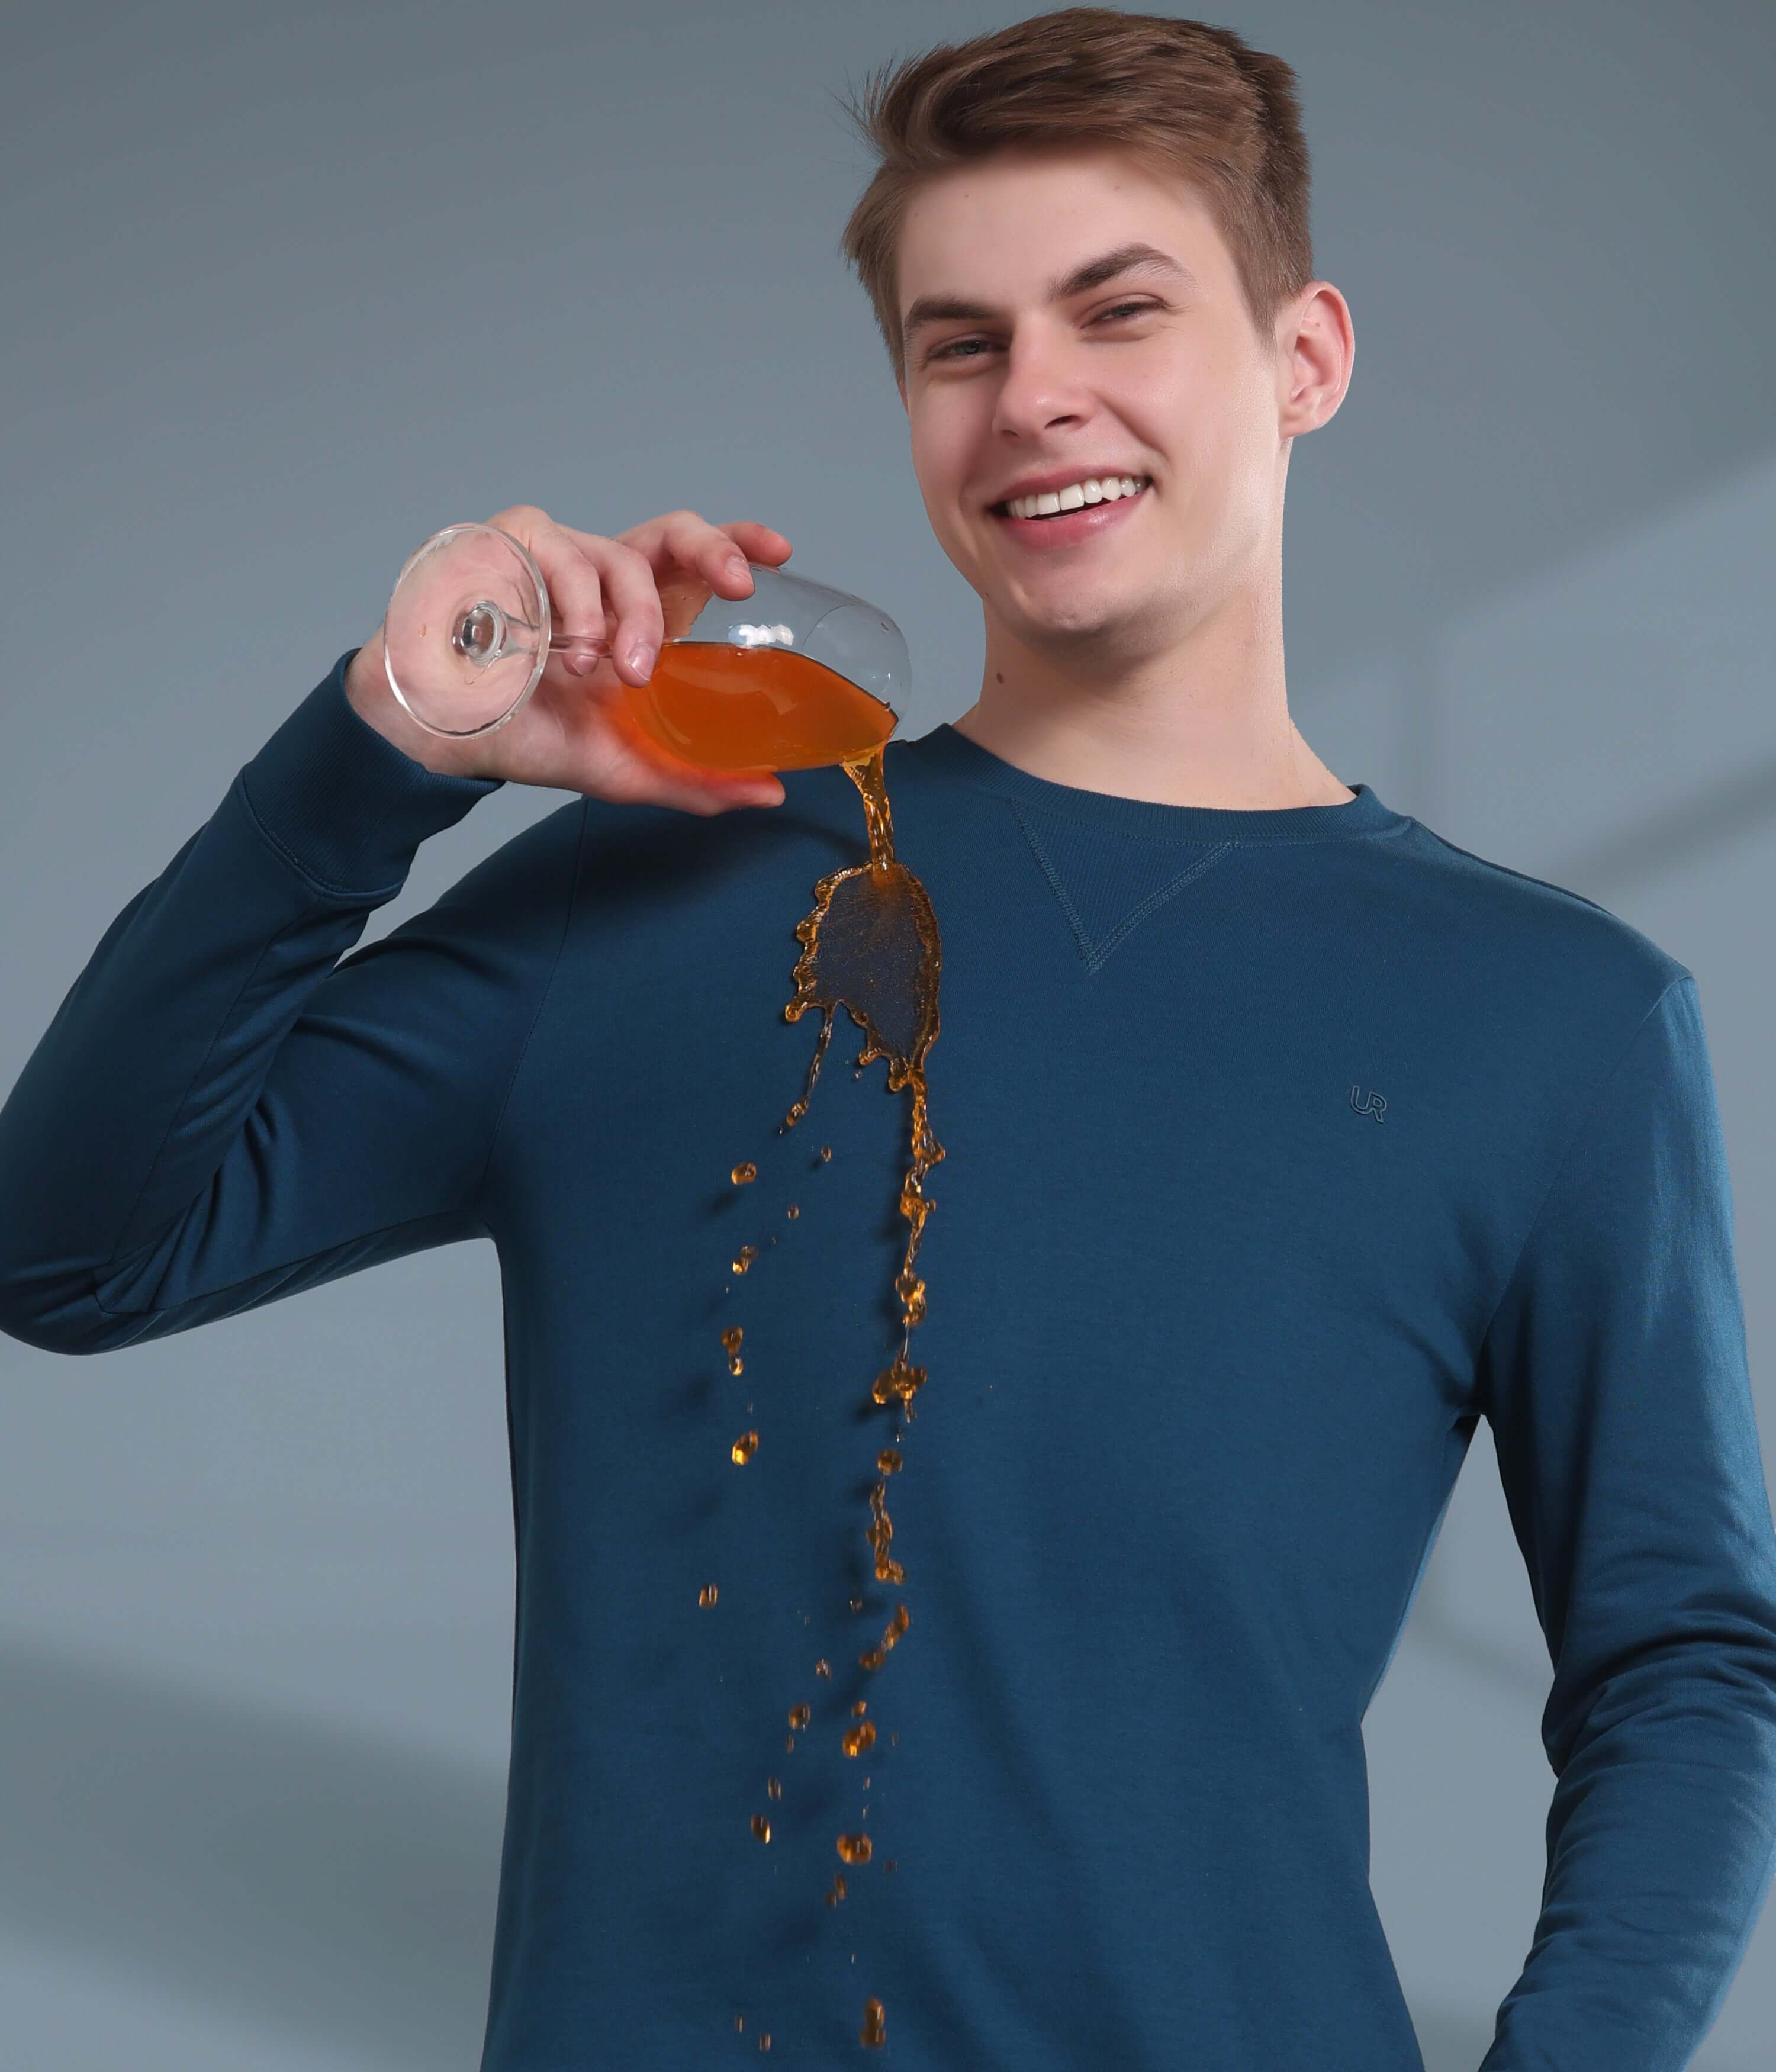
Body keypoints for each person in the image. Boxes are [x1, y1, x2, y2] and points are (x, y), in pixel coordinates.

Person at [2, 8, 1774, 2067]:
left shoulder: (1552, 1022)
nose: (1036, 399)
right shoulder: (659, 890)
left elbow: (1684, 1661)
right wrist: (396, 739)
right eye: (962, 343)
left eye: (1117, 312)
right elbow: (73, 1245)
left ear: (1303, 358)